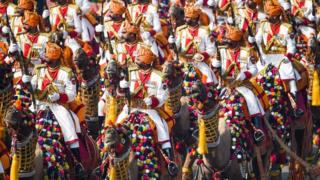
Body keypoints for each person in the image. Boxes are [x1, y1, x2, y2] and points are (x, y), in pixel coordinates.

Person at [21, 42, 84, 174]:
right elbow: (31, 89)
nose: (44, 57)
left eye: (47, 55)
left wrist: (60, 97)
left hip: (58, 107)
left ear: (54, 57)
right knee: (22, 124)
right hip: (39, 106)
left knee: (69, 129)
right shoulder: (39, 70)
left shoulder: (66, 73)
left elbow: (72, 94)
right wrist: (27, 83)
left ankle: (78, 163)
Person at [117, 45, 179, 176]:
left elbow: (163, 96)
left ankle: (169, 162)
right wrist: (121, 88)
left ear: (148, 63)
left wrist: (154, 101)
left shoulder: (158, 75)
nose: (138, 65)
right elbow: (120, 92)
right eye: (137, 61)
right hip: (130, 108)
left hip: (149, 110)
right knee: (114, 129)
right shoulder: (130, 71)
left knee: (162, 129)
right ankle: (105, 162)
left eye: (141, 62)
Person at [212, 26, 267, 144]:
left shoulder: (246, 52)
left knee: (252, 101)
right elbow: (215, 67)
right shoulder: (221, 51)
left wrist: (245, 74)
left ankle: (258, 131)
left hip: (242, 86)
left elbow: (254, 69)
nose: (227, 42)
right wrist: (215, 65)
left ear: (236, 41)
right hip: (225, 86)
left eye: (230, 40)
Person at [255, 0, 304, 118]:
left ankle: (294, 104)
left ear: (277, 16)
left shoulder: (286, 28)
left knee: (288, 72)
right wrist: (254, 39)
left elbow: (291, 46)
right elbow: (258, 39)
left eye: (271, 16)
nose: (268, 18)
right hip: (267, 58)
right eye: (267, 15)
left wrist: (288, 57)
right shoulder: (263, 25)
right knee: (256, 75)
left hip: (282, 57)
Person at [169, 5, 218, 86]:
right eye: (185, 17)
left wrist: (202, 55)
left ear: (195, 18)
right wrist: (172, 44)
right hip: (183, 61)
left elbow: (212, 49)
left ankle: (210, 94)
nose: (185, 19)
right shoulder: (180, 30)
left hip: (199, 63)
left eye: (187, 17)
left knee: (208, 76)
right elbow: (176, 49)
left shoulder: (204, 31)